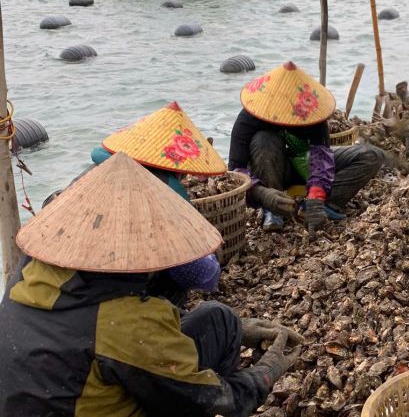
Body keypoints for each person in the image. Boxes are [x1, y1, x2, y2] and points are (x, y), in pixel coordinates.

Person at [0, 153, 302, 416]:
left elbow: (82, 328)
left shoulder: (31, 270)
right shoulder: (126, 323)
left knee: (221, 320)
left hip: (40, 397)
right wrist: (267, 372)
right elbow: (220, 399)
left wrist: (240, 327)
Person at [43, 101, 227, 307]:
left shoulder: (86, 176)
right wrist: (212, 253)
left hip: (60, 295)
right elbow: (202, 276)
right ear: (176, 168)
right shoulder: (161, 197)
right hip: (115, 305)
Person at [229, 61, 384, 232]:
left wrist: (316, 197)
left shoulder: (311, 113)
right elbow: (235, 172)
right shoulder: (249, 118)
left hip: (304, 164)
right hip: (270, 172)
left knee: (371, 155)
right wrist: (262, 193)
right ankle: (273, 211)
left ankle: (319, 206)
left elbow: (321, 157)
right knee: (263, 139)